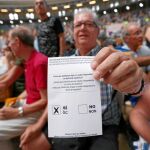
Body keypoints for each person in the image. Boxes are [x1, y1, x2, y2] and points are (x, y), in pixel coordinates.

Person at [20, 8, 144, 150]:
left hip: (105, 125)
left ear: (98, 31)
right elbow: (55, 100)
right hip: (72, 122)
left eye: (89, 24)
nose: (83, 27)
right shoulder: (63, 64)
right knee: (30, 145)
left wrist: (137, 84)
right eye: (78, 25)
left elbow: (137, 84)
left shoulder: (112, 57)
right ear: (72, 32)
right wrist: (39, 125)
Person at [0, 26, 48, 146]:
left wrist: (17, 111)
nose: (9, 46)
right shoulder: (28, 60)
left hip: (37, 111)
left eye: (10, 42)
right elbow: (31, 90)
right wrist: (16, 100)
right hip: (29, 105)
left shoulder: (39, 62)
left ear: (17, 41)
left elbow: (45, 100)